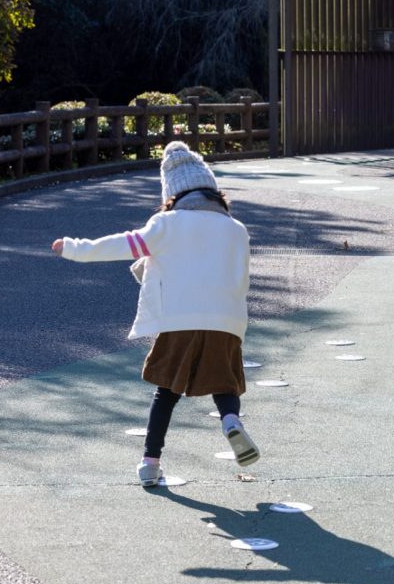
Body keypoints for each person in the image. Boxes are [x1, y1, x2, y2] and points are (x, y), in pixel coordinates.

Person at [51, 140, 258, 486]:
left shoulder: (165, 225)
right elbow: (241, 278)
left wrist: (73, 248)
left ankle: (150, 463)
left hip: (179, 319)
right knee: (223, 381)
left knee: (166, 390)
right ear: (212, 190)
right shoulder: (236, 229)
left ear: (172, 193)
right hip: (226, 320)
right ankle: (230, 421)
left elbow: (121, 244)